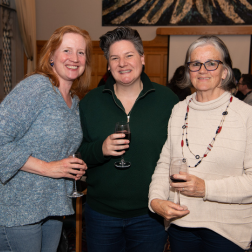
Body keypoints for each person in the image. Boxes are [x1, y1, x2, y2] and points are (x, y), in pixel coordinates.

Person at [78, 26, 178, 252]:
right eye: (115, 58)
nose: (122, 63)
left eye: (129, 55)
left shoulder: (168, 101)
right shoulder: (90, 102)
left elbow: (178, 152)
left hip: (150, 214)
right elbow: (78, 155)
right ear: (108, 65)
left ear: (142, 59)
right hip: (101, 214)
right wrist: (100, 149)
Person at [149, 35, 252, 251]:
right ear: (188, 71)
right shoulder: (178, 110)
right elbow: (165, 163)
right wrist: (155, 199)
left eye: (211, 63)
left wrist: (206, 188)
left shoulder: (246, 115)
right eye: (195, 64)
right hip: (181, 224)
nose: (202, 70)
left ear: (224, 71)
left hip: (228, 231)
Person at [0, 25, 92, 252]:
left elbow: (59, 150)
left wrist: (72, 168)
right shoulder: (37, 87)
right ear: (51, 55)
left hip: (52, 206)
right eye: (67, 50)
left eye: (81, 52)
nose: (74, 58)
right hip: (18, 207)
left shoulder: (74, 101)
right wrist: (49, 168)